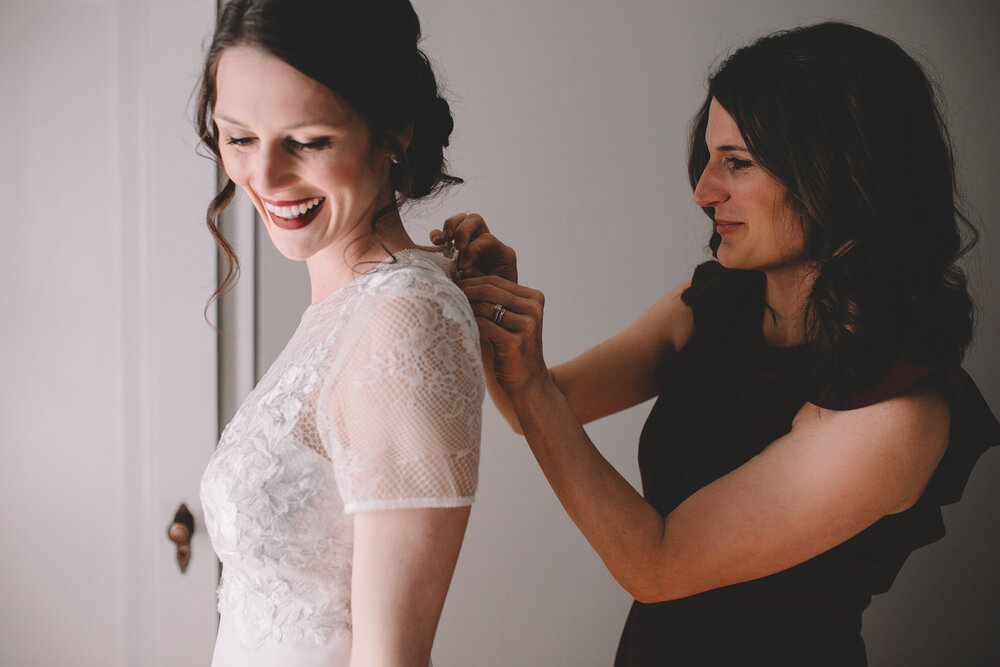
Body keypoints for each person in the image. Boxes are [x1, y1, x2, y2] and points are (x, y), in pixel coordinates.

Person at [433, 21, 1000, 666]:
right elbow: (528, 409)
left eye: (739, 162)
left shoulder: (897, 414)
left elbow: (657, 566)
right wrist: (486, 300)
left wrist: (532, 384)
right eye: (709, 157)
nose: (704, 192)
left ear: (840, 172)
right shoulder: (714, 306)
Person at [196, 1, 484, 665]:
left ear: (394, 130)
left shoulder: (404, 320)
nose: (264, 179)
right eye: (239, 137)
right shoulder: (347, 308)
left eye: (308, 140)